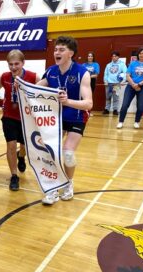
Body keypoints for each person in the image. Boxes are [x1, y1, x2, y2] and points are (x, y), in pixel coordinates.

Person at [37, 36, 93, 205]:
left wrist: (68, 102)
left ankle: (68, 184)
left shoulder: (82, 73)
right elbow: (36, 87)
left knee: (68, 153)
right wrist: (21, 85)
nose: (57, 52)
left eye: (61, 50)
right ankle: (53, 187)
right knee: (50, 151)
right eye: (55, 49)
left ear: (71, 53)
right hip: (56, 117)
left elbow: (89, 103)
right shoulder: (51, 71)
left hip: (76, 116)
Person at [0, 49, 38, 191]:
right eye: (10, 64)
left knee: (24, 147)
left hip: (26, 119)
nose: (13, 67)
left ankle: (21, 156)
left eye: (16, 64)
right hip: (9, 116)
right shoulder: (4, 77)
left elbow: (40, 95)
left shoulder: (33, 77)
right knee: (10, 145)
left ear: (23, 63)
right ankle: (14, 176)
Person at [117, 47, 143, 129]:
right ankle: (120, 122)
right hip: (131, 86)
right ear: (138, 54)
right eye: (140, 53)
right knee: (125, 105)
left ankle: (137, 122)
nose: (142, 55)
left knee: (140, 106)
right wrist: (133, 84)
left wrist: (139, 84)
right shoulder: (133, 63)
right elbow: (127, 75)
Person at [103, 51, 127, 115]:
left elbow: (125, 73)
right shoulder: (108, 65)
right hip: (109, 84)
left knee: (116, 97)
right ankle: (107, 109)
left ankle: (115, 109)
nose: (114, 57)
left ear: (118, 57)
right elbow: (106, 74)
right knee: (108, 97)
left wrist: (123, 81)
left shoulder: (122, 64)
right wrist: (105, 81)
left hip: (116, 84)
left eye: (115, 56)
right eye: (113, 56)